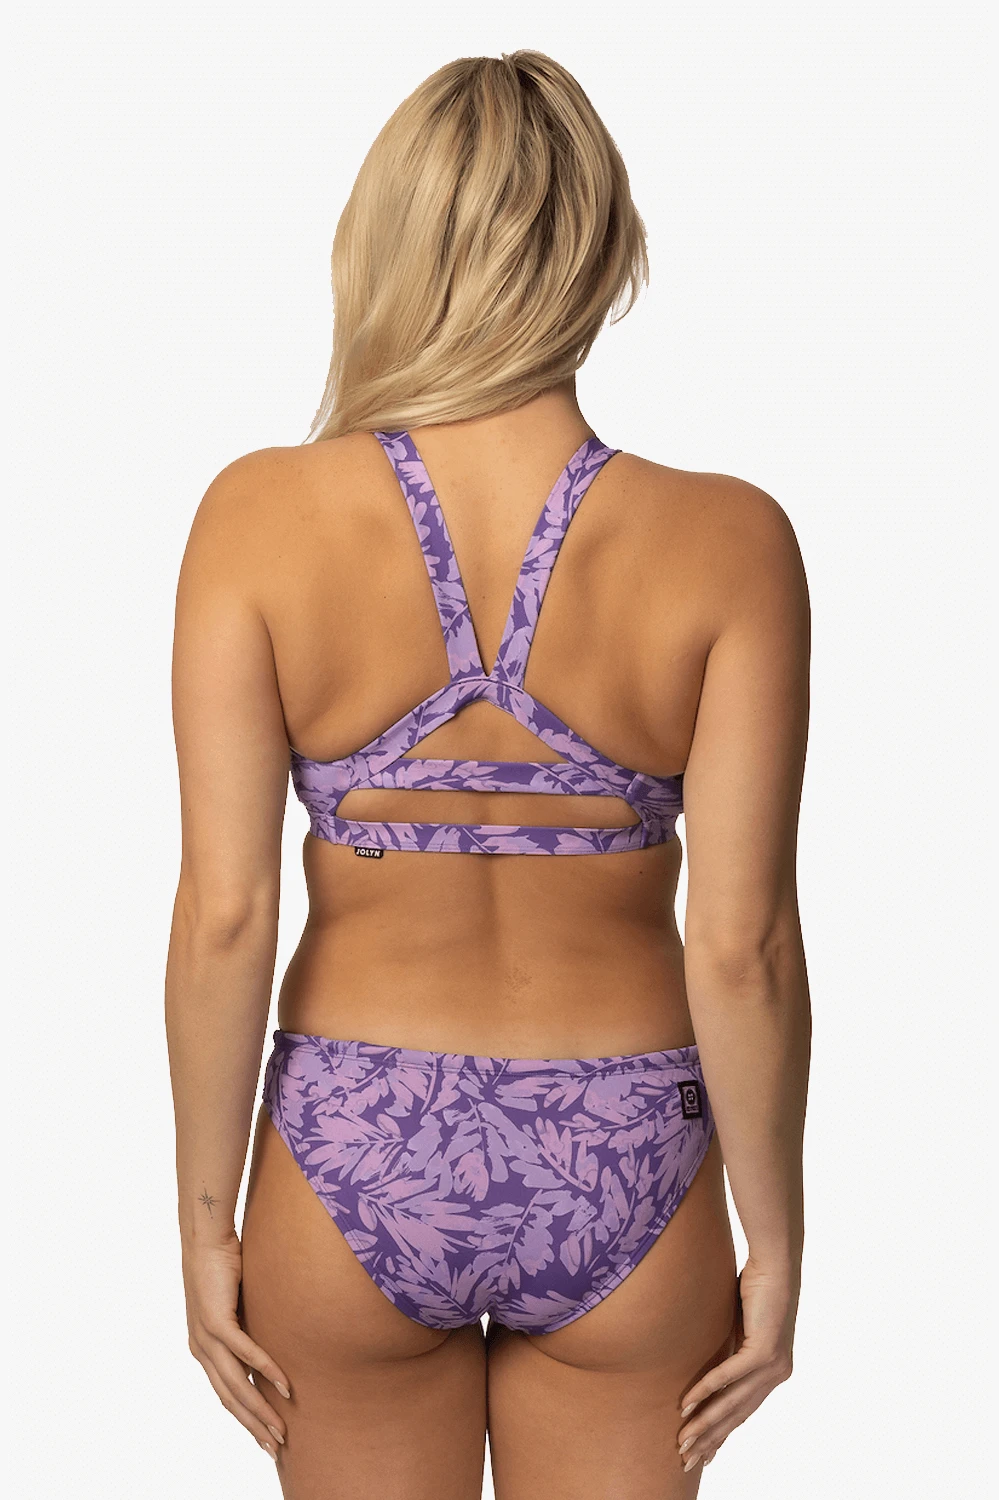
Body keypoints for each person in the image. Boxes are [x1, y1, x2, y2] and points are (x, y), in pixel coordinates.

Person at [166, 49, 811, 1499]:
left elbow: (225, 914)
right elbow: (744, 945)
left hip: (350, 1142)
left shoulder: (258, 514)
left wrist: (206, 1222)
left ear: (382, 243)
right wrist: (772, 1246)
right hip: (628, 1150)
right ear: (604, 252)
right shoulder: (729, 542)